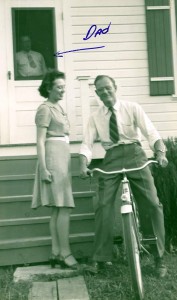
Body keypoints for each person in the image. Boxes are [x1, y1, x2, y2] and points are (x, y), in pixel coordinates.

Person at [79, 75, 168, 277]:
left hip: (135, 155)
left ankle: (159, 257)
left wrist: (160, 152)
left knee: (152, 204)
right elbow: (86, 144)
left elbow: (151, 132)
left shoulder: (132, 107)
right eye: (100, 90)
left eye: (108, 88)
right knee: (103, 205)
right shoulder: (95, 117)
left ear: (115, 88)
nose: (105, 92)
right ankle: (101, 259)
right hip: (111, 157)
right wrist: (83, 163)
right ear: (97, 93)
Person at [32, 70, 79, 269]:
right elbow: (40, 141)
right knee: (63, 206)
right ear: (48, 88)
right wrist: (43, 168)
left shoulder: (58, 108)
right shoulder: (45, 108)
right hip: (53, 157)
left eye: (64, 87)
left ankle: (55, 252)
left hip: (62, 156)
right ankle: (65, 253)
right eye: (59, 87)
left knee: (58, 209)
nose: (62, 90)